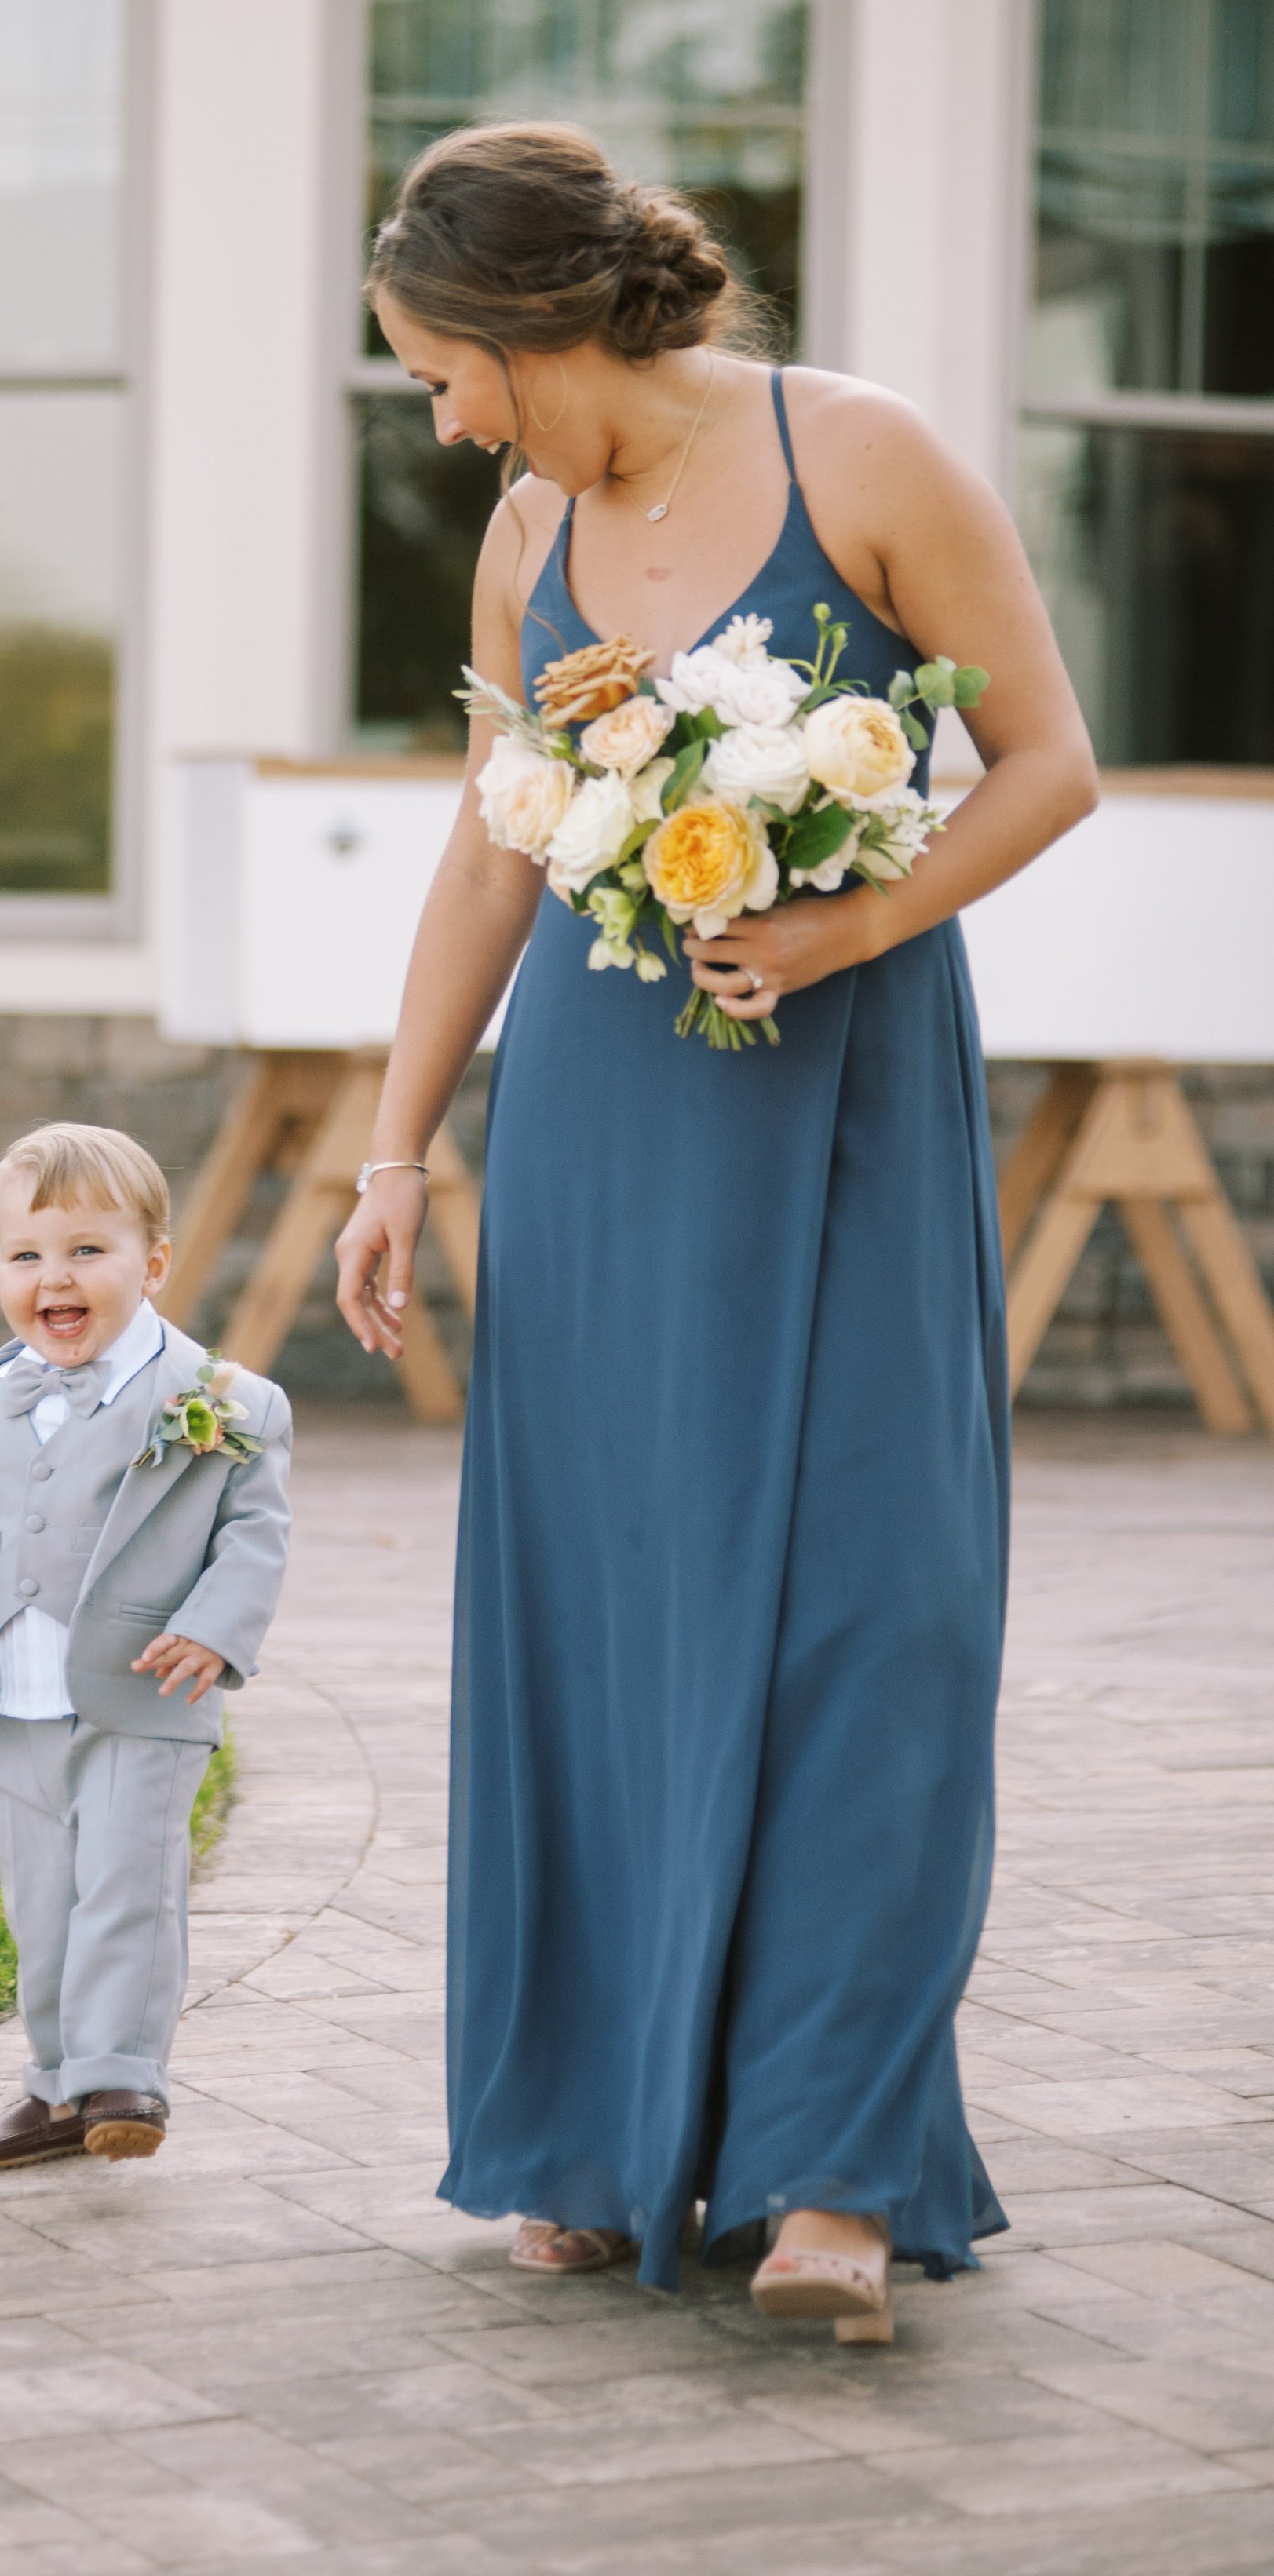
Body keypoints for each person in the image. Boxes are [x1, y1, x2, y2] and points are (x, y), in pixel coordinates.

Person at [334, 122, 1097, 2346]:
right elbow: (489, 850)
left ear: (541, 322)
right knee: (600, 1605)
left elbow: (1044, 759)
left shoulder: (865, 453)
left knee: (872, 1613)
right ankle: (582, 2124)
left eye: (446, 372)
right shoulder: (521, 534)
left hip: (839, 1105)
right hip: (596, 1126)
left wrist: (858, 911)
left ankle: (832, 2168)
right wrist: (395, 1153)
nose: (446, 420)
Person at [0, 1122, 291, 2169]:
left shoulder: (221, 1402)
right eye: (28, 1255)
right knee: (41, 1905)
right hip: (15, 1709)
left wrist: (214, 1629)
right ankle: (53, 2085)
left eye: (89, 1251)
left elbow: (255, 1537)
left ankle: (120, 2072)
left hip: (142, 1696)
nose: (59, 1277)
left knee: (128, 1888)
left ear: (155, 1262)